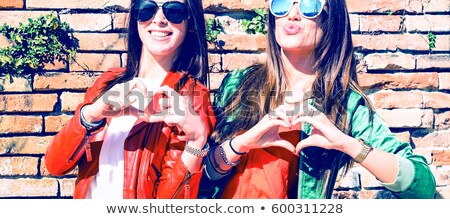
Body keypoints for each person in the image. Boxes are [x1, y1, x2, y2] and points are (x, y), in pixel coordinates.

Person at [199, 0, 436, 199]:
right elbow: (198, 171)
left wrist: (347, 144)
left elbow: (422, 188)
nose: (292, 15)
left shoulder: (344, 104)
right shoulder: (237, 84)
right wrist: (238, 145)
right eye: (281, 4)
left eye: (309, 5)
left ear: (330, 19)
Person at [45, 0, 215, 199]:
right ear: (135, 17)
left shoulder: (191, 97)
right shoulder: (108, 82)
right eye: (147, 9)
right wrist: (91, 114)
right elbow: (55, 165)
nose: (158, 19)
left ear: (190, 22)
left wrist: (196, 142)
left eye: (174, 11)